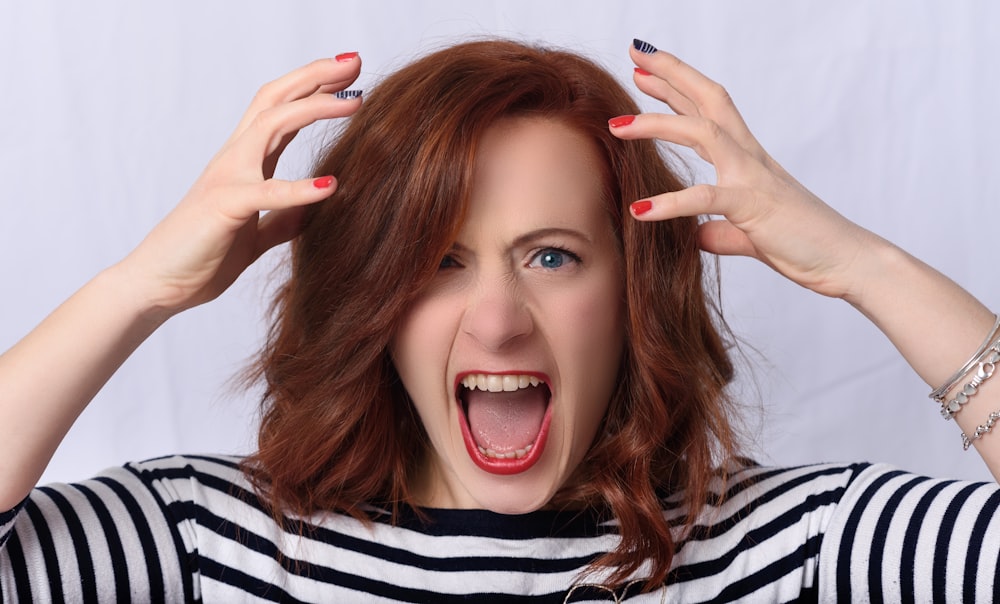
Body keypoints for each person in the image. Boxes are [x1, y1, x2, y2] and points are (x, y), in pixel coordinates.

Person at [1, 38, 999, 602]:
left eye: (551, 255)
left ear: (632, 292)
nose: (497, 318)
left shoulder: (796, 547)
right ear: (375, 301)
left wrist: (866, 266)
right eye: (437, 262)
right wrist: (138, 287)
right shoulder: (203, 541)